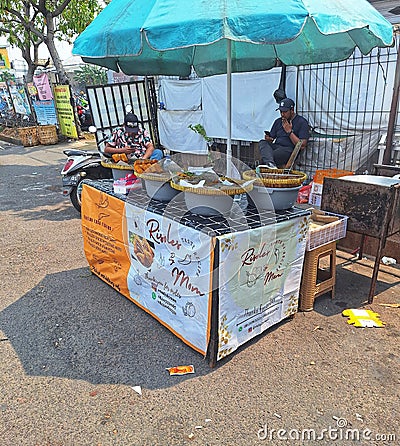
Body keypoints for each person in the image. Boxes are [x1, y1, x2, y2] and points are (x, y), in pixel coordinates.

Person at [258, 98, 309, 168]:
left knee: (269, 156)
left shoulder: (301, 122)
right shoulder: (278, 121)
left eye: (285, 112)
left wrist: (289, 131)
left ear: (292, 110)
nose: (282, 114)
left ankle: (269, 163)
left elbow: (302, 145)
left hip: (289, 149)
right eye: (281, 112)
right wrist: (269, 138)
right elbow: (271, 138)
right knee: (262, 142)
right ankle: (270, 164)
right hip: (277, 146)